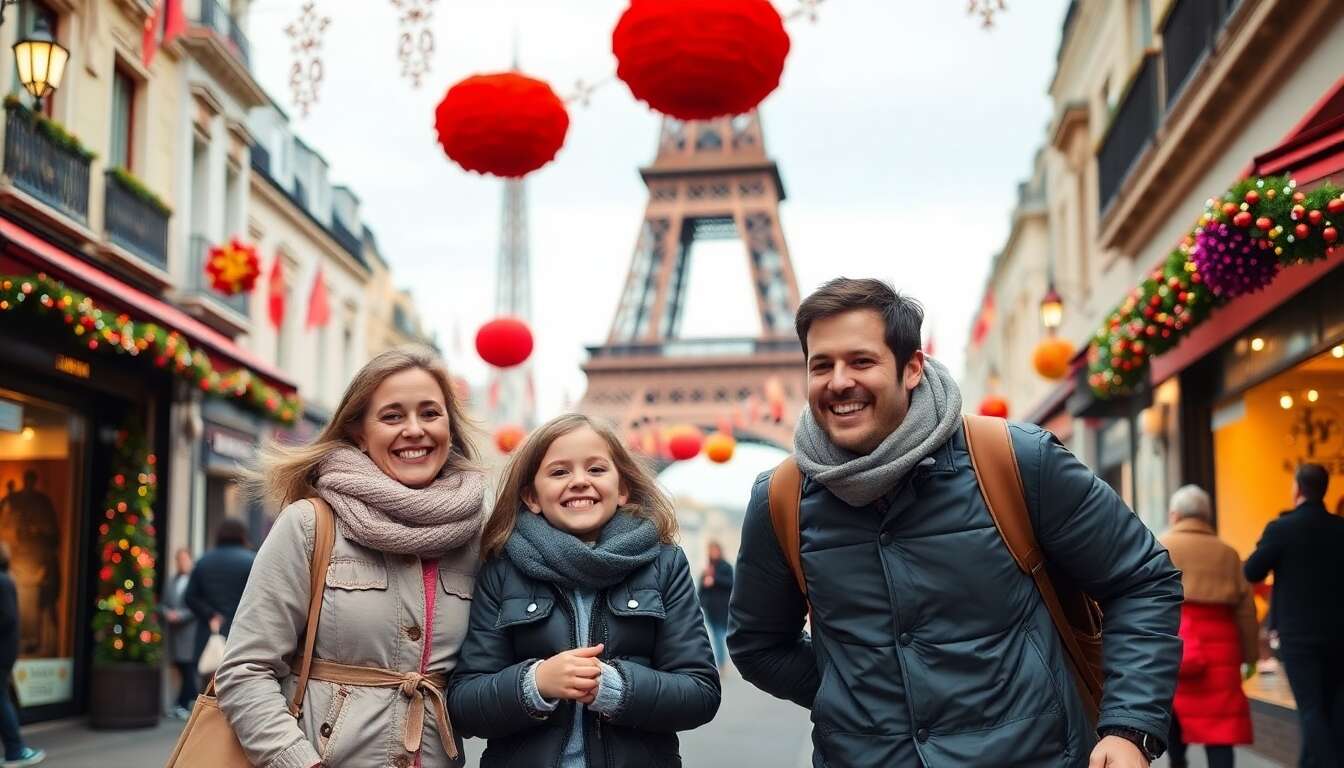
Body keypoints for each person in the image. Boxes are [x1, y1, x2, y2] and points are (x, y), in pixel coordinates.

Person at [729, 278, 1182, 768]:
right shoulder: (780, 497)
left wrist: (1129, 727)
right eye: (822, 365)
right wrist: (852, 692)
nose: (839, 381)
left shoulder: (1016, 459)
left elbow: (1142, 580)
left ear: (912, 369)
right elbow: (757, 642)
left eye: (861, 361)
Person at [215, 347, 485, 768]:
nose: (414, 430)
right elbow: (245, 670)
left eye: (430, 413)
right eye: (392, 416)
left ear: (449, 426)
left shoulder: (476, 537)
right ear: (359, 431)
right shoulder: (309, 525)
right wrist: (300, 762)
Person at [449, 414, 720, 767]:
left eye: (596, 470)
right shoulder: (502, 569)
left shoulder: (664, 565)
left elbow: (700, 692)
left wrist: (615, 688)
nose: (579, 481)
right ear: (531, 495)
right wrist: (535, 684)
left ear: (622, 489)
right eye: (559, 472)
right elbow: (466, 704)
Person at [1244, 464, 1344, 767]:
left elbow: (1251, 570)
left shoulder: (1282, 529)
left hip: (1298, 637)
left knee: (1311, 707)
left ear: (1297, 489)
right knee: (1332, 706)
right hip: (1339, 634)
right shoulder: (1340, 528)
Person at [1158, 485, 1255, 768]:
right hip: (1221, 657)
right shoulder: (1229, 554)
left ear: (1175, 515)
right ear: (1206, 516)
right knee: (1220, 732)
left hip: (1175, 648)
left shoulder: (1161, 546)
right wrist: (1250, 657)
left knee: (1173, 720)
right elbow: (1246, 612)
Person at [184, 518, 254, 666]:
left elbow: (190, 597)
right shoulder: (251, 561)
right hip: (242, 637)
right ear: (243, 535)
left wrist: (210, 614)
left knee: (208, 685)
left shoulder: (204, 561)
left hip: (208, 634)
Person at [0, 544, 43, 766]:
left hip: (2, 653)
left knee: (2, 699)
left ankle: (15, 750)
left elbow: (6, 618)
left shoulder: (3, 581)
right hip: (5, 652)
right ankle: (15, 749)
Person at [159, 548, 198, 719]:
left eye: (184, 559)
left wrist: (180, 615)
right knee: (182, 668)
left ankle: (183, 704)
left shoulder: (196, 580)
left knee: (189, 670)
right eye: (179, 559)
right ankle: (182, 705)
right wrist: (167, 612)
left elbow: (198, 606)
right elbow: (162, 603)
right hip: (173, 635)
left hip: (190, 634)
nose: (182, 562)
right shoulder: (171, 581)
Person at [698, 540, 733, 672]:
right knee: (714, 635)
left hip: (723, 608)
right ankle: (719, 662)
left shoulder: (726, 567)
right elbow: (701, 590)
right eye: (710, 551)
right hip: (710, 609)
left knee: (719, 635)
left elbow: (731, 584)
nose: (712, 553)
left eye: (714, 550)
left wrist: (714, 580)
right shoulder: (707, 569)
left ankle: (721, 663)